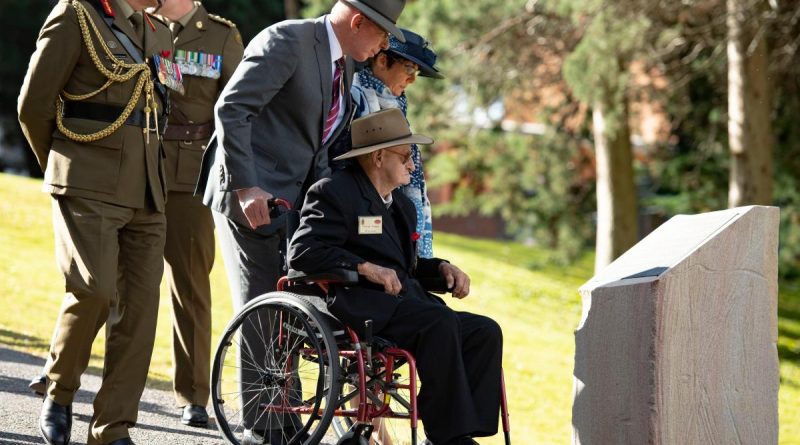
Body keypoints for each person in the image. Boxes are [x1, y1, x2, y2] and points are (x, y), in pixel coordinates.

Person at [194, 0, 407, 443]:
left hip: (295, 204)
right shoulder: (287, 40)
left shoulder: (342, 63)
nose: (384, 45)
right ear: (358, 21)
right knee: (261, 299)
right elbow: (232, 109)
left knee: (290, 306)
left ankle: (284, 411)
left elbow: (321, 146)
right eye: (382, 34)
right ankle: (264, 423)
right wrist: (246, 187)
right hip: (248, 194)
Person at [288, 108, 503, 445]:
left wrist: (443, 268)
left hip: (404, 303)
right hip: (357, 303)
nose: (413, 165)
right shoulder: (333, 191)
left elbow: (408, 267)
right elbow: (303, 252)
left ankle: (464, 430)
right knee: (438, 323)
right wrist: (363, 267)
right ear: (378, 156)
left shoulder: (401, 205)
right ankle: (450, 437)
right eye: (406, 155)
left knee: (484, 331)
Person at [17, 0, 175, 444]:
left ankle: (112, 428)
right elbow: (33, 106)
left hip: (148, 189)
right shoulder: (76, 16)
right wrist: (67, 166)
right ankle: (60, 388)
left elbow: (159, 108)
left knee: (141, 313)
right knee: (93, 290)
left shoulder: (159, 31)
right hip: (88, 182)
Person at [152, 0, 244, 427]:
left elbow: (238, 113)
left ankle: (192, 394)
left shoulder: (222, 36)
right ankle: (74, 376)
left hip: (189, 176)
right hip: (135, 163)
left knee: (189, 285)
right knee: (111, 278)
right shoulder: (140, 24)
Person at [330, 28, 443, 258]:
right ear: (382, 60)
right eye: (409, 68)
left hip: (392, 214)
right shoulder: (352, 97)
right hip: (360, 217)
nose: (412, 79)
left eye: (417, 72)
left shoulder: (396, 104)